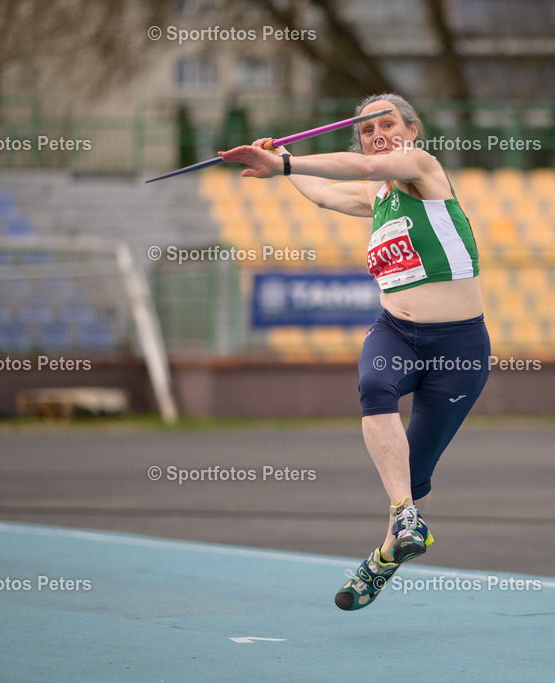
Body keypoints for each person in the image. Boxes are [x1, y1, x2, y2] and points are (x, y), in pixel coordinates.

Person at [220, 93, 490, 610]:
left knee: (416, 473)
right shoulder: (376, 199)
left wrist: (285, 161)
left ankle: (384, 557)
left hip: (460, 349)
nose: (378, 135)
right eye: (368, 129)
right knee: (374, 386)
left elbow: (367, 165)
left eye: (387, 124)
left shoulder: (422, 168)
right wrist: (278, 168)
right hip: (397, 334)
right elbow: (323, 193)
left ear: (413, 130)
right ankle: (405, 516)